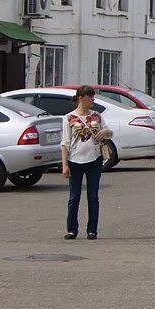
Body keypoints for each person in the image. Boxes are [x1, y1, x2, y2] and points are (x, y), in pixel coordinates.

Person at [60, 85, 113, 240]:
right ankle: (72, 229)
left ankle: (92, 230)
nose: (93, 100)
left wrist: (106, 132)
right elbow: (65, 142)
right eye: (90, 97)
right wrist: (64, 165)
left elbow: (110, 133)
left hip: (94, 159)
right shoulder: (69, 118)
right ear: (81, 98)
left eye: (93, 97)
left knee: (93, 196)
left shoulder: (96, 116)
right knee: (74, 197)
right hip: (75, 160)